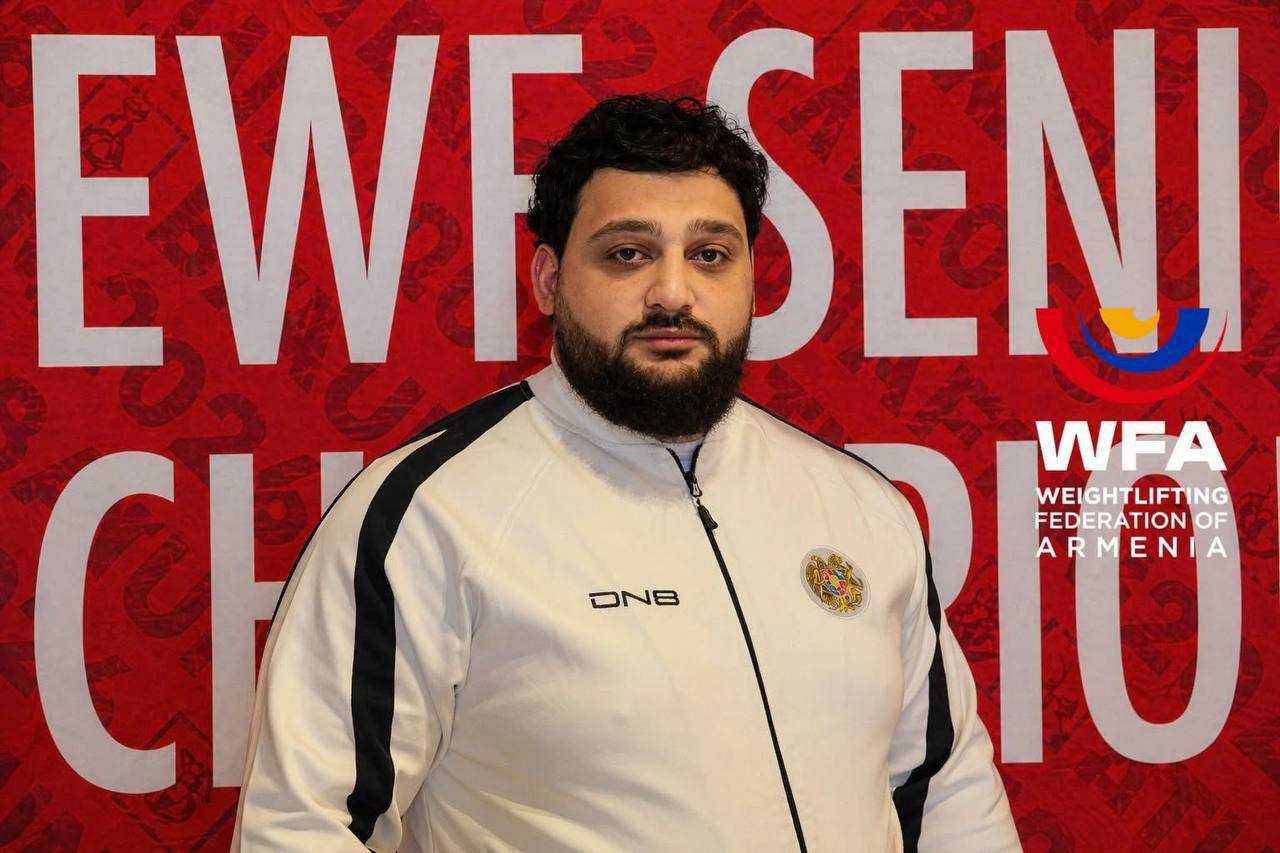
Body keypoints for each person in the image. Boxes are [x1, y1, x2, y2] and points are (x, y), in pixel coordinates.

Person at [233, 94, 1021, 852]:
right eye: (628, 254)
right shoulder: (428, 514)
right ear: (549, 280)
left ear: (751, 277)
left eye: (709, 255)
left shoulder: (859, 507)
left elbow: (945, 796)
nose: (673, 292)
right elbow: (300, 825)